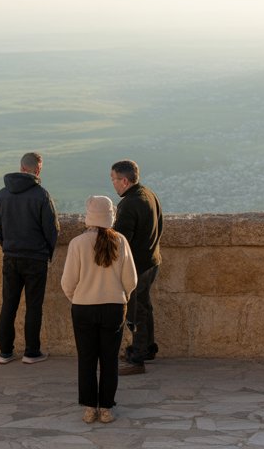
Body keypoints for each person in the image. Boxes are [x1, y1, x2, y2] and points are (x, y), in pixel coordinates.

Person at [62, 196, 137, 424]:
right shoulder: (121, 241)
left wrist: (79, 297)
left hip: (84, 308)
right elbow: (131, 280)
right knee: (109, 360)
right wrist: (121, 296)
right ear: (111, 215)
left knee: (86, 360)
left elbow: (67, 282)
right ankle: (106, 408)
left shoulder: (77, 243)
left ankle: (88, 409)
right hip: (113, 308)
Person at [0, 151, 59, 365]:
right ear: (38, 170)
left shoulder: (2, 194)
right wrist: (47, 252)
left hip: (11, 256)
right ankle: (31, 352)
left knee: (8, 304)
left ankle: (5, 352)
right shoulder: (41, 195)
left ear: (21, 167)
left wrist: (8, 246)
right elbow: (52, 229)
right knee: (33, 306)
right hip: (35, 258)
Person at [111, 160, 163, 375]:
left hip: (137, 266)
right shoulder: (149, 194)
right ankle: (147, 348)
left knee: (136, 311)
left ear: (124, 180)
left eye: (113, 179)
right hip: (152, 260)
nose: (113, 183)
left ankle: (137, 357)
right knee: (144, 306)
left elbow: (120, 241)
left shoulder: (130, 204)